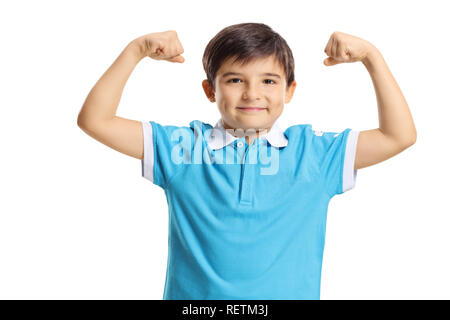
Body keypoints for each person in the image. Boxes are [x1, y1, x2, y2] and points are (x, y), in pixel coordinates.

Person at [77, 23, 417, 299]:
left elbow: (397, 136)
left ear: (289, 91)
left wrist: (372, 57)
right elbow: (96, 121)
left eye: (268, 81)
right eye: (235, 80)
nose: (252, 93)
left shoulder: (313, 154)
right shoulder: (181, 148)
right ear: (211, 91)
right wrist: (136, 50)